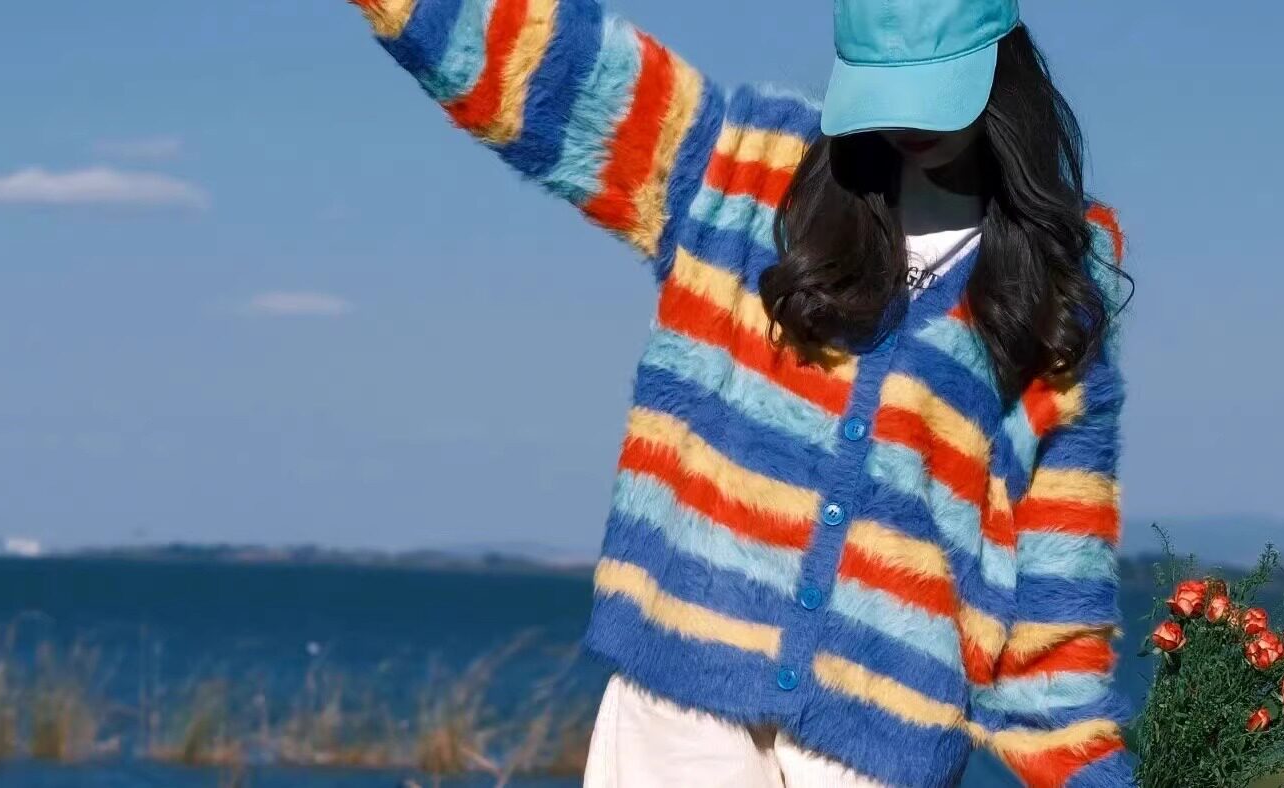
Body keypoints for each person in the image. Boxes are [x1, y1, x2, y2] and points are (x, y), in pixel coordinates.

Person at [342, 0, 1133, 784]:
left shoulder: (1060, 292)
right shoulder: (745, 167)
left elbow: (1056, 588)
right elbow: (551, 65)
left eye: (931, 90)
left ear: (1003, 66)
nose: (904, 121)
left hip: (879, 740)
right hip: (680, 711)